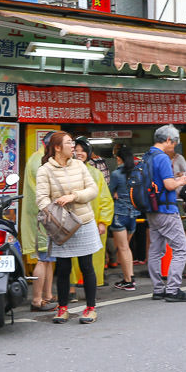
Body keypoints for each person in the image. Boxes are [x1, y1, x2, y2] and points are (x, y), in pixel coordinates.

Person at [37, 131, 103, 324]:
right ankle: (63, 308)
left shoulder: (80, 165)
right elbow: (41, 199)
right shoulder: (45, 170)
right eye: (69, 143)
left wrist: (73, 197)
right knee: (64, 268)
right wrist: (56, 211)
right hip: (61, 226)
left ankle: (91, 308)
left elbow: (92, 190)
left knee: (86, 266)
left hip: (83, 221)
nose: (73, 146)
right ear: (57, 147)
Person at [146, 125, 186, 303]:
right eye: (174, 143)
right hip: (166, 209)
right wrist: (181, 180)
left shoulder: (147, 156)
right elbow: (169, 185)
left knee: (155, 250)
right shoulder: (163, 158)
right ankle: (173, 290)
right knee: (181, 249)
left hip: (151, 209)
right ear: (167, 140)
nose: (174, 146)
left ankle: (158, 289)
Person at [71, 138, 114, 291]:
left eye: (82, 150)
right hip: (71, 222)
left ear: (88, 153)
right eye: (76, 150)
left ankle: (90, 292)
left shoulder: (96, 174)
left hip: (91, 222)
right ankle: (71, 291)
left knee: (91, 259)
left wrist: (103, 221)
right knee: (71, 258)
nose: (79, 153)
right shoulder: (65, 171)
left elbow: (105, 199)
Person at [20, 131, 57, 311]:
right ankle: (36, 300)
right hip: (42, 216)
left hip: (44, 214)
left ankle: (48, 296)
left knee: (48, 258)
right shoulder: (40, 161)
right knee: (43, 259)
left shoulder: (40, 157)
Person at [108, 145, 139, 290]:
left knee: (123, 248)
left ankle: (128, 281)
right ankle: (129, 277)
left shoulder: (116, 174)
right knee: (126, 248)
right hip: (133, 214)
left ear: (119, 159)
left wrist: (115, 194)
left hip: (119, 214)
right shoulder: (137, 173)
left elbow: (109, 192)